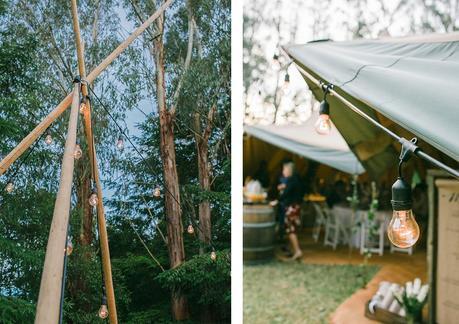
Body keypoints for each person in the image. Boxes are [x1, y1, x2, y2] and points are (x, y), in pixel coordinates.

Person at [277, 161, 303, 261]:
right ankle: (294, 250)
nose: (283, 171)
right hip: (295, 206)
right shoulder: (294, 180)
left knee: (291, 230)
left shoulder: (291, 180)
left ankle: (297, 251)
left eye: (284, 169)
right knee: (292, 229)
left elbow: (285, 194)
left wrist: (277, 200)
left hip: (292, 207)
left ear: (288, 170)